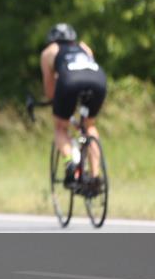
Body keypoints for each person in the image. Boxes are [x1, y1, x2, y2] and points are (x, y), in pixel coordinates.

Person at [39, 23, 107, 190]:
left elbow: (49, 91)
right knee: (88, 126)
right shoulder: (84, 47)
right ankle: (95, 176)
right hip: (98, 79)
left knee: (60, 128)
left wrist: (58, 103)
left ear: (52, 40)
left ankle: (70, 162)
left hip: (70, 81)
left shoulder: (49, 51)